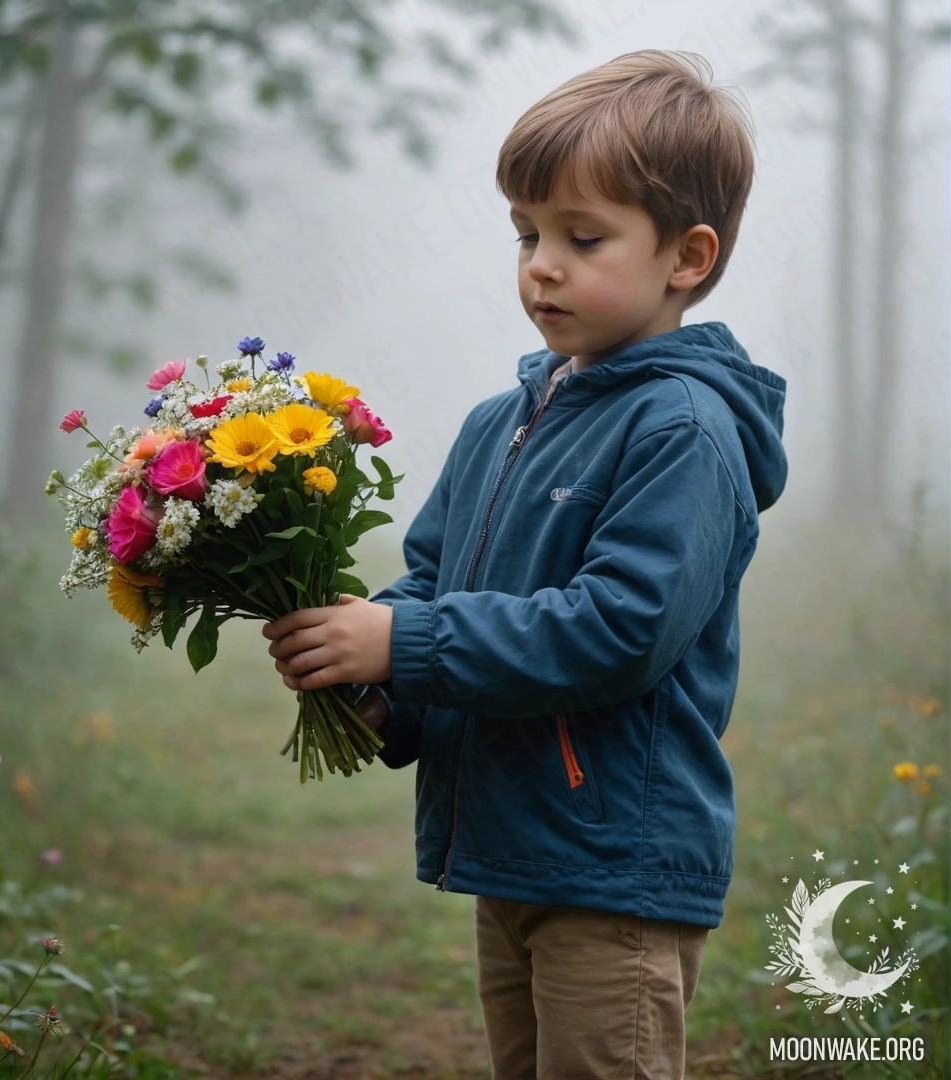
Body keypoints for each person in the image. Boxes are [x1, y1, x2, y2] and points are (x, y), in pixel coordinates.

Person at [261, 48, 788, 1080]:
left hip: (614, 865)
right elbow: (433, 580)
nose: (540, 263)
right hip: (512, 843)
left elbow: (619, 629)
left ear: (686, 256)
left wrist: (405, 640)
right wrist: (374, 682)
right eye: (526, 234)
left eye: (581, 237)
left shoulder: (683, 430)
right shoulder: (499, 421)